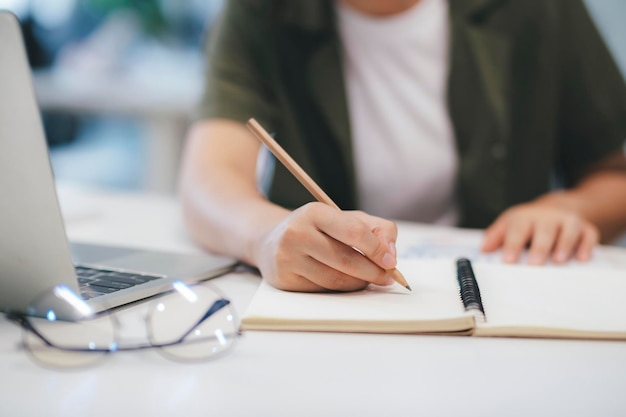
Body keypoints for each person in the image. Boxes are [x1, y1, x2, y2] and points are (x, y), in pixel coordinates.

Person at [179, 0, 626, 292]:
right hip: (327, 321)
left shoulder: (540, 9)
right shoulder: (261, 13)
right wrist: (266, 235)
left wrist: (573, 208)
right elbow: (208, 180)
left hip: (502, 298)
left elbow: (615, 173)